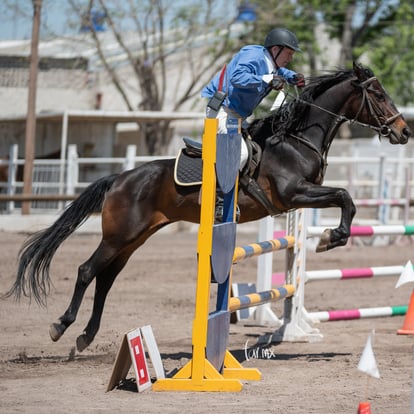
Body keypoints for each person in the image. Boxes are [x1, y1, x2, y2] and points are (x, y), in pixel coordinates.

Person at [201, 27, 305, 222]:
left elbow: (278, 71)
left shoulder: (270, 62)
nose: (290, 57)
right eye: (289, 53)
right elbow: (237, 78)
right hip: (222, 110)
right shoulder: (252, 54)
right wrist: (267, 79)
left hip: (238, 115)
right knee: (240, 153)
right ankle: (217, 199)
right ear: (276, 50)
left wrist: (293, 77)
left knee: (258, 148)